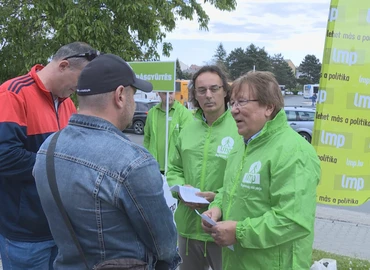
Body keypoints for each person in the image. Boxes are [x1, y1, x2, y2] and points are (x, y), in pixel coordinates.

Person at [33, 54, 181, 270]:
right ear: (120, 95)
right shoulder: (134, 162)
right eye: (133, 93)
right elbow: (165, 245)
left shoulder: (47, 148)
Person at [201, 71, 321, 270]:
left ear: (269, 107)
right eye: (233, 103)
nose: (233, 110)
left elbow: (293, 220)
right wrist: (217, 208)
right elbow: (231, 190)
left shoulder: (295, 152)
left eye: (242, 102)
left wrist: (239, 232)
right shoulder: (242, 145)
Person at [0, 41, 97, 270]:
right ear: (63, 66)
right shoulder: (12, 94)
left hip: (61, 229)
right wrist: (62, 166)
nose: (81, 88)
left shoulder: (66, 104)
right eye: (80, 80)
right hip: (25, 233)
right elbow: (4, 157)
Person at [166, 65, 243, 270]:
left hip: (224, 229)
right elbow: (174, 168)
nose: (208, 95)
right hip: (188, 228)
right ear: (195, 96)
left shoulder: (240, 129)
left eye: (214, 88)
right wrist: (182, 190)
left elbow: (244, 178)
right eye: (202, 90)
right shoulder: (186, 129)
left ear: (225, 92)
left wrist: (217, 196)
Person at [143, 91, 193, 174]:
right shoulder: (152, 113)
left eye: (171, 93)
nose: (168, 96)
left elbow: (189, 142)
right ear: (159, 94)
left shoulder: (184, 113)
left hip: (175, 168)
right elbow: (147, 138)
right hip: (154, 167)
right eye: (164, 94)